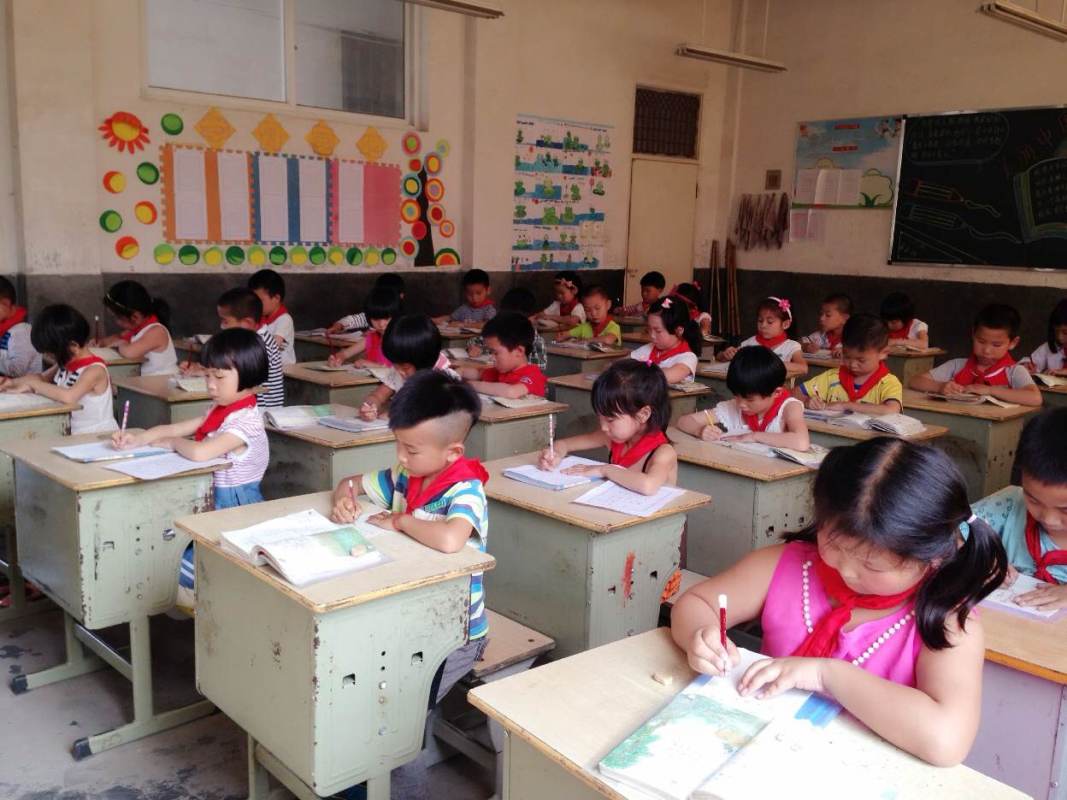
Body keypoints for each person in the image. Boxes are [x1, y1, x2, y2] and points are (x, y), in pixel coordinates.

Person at [671, 438, 1007, 766]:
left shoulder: (946, 621)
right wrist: (700, 635)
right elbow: (698, 602)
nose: (845, 569)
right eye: (833, 544)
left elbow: (947, 740)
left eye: (872, 565)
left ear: (931, 558)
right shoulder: (787, 565)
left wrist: (825, 676)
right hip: (762, 758)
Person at [329, 371, 490, 800]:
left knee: (402, 714)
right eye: (398, 444)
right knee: (370, 694)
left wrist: (400, 520)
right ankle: (360, 777)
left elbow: (451, 539)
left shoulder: (465, 489)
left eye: (411, 449)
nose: (400, 456)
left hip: (455, 632)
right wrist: (344, 499)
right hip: (408, 618)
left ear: (453, 451)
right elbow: (350, 482)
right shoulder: (407, 474)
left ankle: (401, 791)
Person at [114, 328, 269, 612]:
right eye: (207, 375)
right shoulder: (220, 410)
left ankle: (212, 602)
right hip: (211, 502)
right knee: (170, 553)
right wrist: (140, 439)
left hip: (235, 509)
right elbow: (178, 428)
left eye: (219, 377)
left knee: (183, 567)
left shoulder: (247, 422)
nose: (211, 385)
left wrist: (172, 444)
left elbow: (199, 452)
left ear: (248, 375)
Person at [537, 359, 677, 494]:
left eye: (610, 420)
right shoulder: (612, 437)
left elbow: (648, 486)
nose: (603, 427)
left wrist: (605, 470)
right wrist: (555, 454)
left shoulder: (663, 453)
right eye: (600, 418)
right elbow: (564, 444)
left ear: (643, 414)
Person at [974, 408, 1067, 609]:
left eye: (1065, 510)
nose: (1048, 519)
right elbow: (948, 532)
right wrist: (975, 559)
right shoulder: (1008, 505)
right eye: (1033, 500)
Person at [1, 304, 116, 433]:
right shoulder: (66, 363)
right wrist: (10, 383)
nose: (50, 357)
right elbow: (41, 378)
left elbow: (69, 396)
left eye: (52, 353)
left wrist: (33, 385)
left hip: (95, 436)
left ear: (73, 346)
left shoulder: (95, 370)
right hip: (72, 432)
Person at [676, 345, 809, 450]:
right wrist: (700, 430)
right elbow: (683, 421)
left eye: (750, 399)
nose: (741, 404)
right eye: (737, 395)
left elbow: (801, 442)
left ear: (777, 392)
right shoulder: (733, 406)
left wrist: (754, 436)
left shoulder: (789, 407)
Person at [909, 304, 1042, 407]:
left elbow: (1035, 398)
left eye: (996, 345)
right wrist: (940, 387)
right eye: (981, 341)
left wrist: (990, 391)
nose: (987, 350)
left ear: (1013, 343)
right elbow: (915, 381)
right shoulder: (957, 365)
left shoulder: (1014, 371)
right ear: (973, 334)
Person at [797, 314, 903, 416]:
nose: (853, 365)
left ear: (883, 353)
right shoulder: (832, 377)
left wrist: (846, 405)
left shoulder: (888, 383)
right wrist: (807, 400)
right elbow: (795, 393)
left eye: (861, 360)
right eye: (847, 357)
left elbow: (892, 410)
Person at [358, 314, 454, 421]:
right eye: (395, 365)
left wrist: (395, 415)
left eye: (405, 368)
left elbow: (430, 412)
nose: (399, 371)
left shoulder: (443, 379)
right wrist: (370, 406)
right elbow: (378, 395)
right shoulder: (399, 371)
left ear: (424, 361)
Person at [96, 280, 178, 375]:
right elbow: (117, 337)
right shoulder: (137, 329)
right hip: (150, 380)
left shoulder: (157, 331)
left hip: (165, 380)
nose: (116, 322)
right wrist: (101, 342)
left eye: (118, 317)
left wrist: (121, 343)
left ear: (135, 316)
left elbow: (129, 353)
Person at [463, 311, 546, 398]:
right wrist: (458, 373)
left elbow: (510, 392)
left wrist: (469, 385)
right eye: (491, 352)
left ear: (519, 351)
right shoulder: (499, 371)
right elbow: (477, 373)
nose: (491, 358)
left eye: (495, 353)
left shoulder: (534, 375)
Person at [718, 296, 806, 372]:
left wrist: (771, 364)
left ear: (785, 324)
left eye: (770, 322)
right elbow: (719, 357)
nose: (763, 325)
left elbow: (803, 367)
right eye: (760, 321)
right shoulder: (750, 343)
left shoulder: (791, 346)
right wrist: (725, 355)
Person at [629, 295, 701, 384]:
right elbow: (625, 363)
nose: (652, 335)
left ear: (679, 330)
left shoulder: (687, 357)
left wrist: (637, 372)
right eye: (649, 329)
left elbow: (665, 376)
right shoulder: (650, 348)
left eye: (658, 331)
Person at [326, 287, 400, 367]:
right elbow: (344, 354)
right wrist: (337, 358)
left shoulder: (402, 339)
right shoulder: (372, 338)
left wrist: (374, 365)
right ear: (368, 318)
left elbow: (402, 371)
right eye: (375, 319)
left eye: (386, 318)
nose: (381, 324)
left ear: (396, 315)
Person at [327, 273, 406, 334]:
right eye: (380, 294)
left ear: (401, 296)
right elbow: (351, 320)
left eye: (390, 295)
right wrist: (339, 325)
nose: (381, 324)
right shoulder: (373, 313)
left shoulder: (403, 321)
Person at [248, 268, 296, 365]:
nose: (255, 305)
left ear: (276, 298)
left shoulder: (284, 320)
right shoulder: (260, 318)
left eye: (259, 301)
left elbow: (272, 346)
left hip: (285, 370)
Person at [0, 276, 41, 377]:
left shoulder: (21, 331)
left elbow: (17, 371)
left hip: (23, 386)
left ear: (8, 305)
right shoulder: (4, 330)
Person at [555, 285, 621, 347]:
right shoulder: (584, 327)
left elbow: (608, 340)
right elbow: (566, 334)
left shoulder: (613, 327)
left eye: (597, 308)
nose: (593, 314)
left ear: (608, 305)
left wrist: (587, 340)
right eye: (588, 310)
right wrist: (562, 336)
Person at [1022, 298, 1067, 375]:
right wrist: (1026, 366)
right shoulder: (1048, 347)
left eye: (1065, 333)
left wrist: (1063, 371)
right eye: (1056, 332)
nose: (1060, 338)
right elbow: (1032, 363)